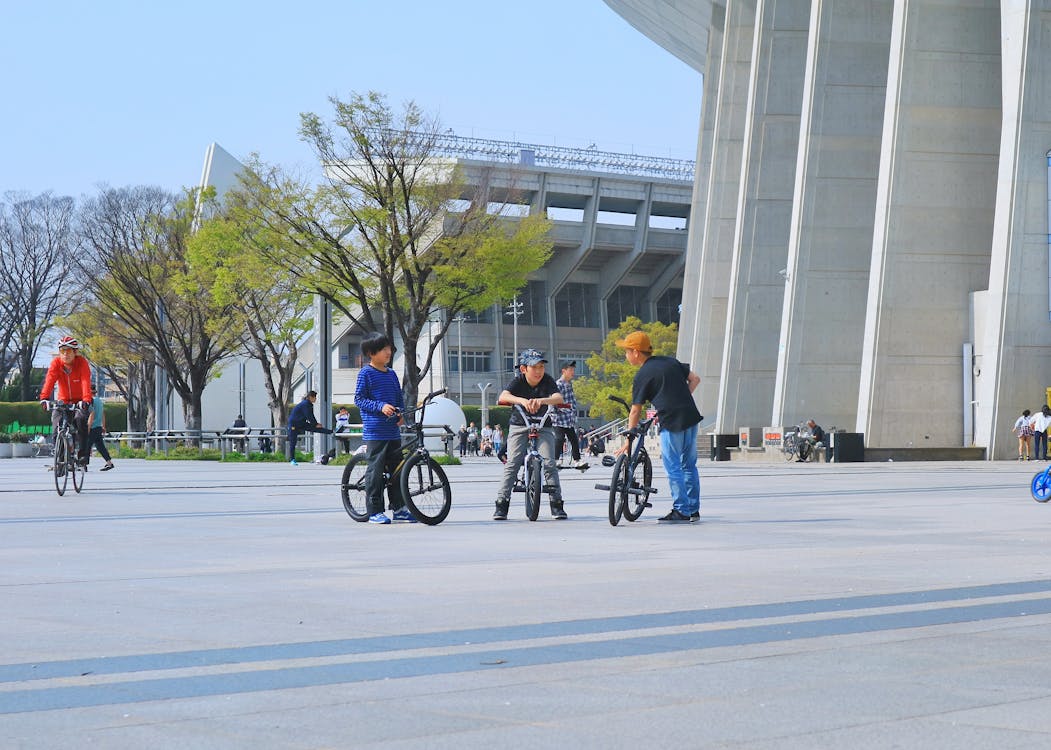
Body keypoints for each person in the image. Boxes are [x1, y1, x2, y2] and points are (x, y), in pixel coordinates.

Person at [616, 331, 702, 523]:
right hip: (690, 416)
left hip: (672, 421)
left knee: (673, 467)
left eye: (627, 351)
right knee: (689, 465)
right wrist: (682, 398)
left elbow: (635, 411)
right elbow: (695, 379)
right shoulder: (670, 361)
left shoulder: (643, 375)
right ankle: (693, 509)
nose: (626, 355)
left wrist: (629, 439)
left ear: (636, 352)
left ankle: (681, 510)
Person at [492, 348, 566, 521]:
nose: (539, 371)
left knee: (549, 463)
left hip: (543, 425)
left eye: (541, 366)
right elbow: (504, 395)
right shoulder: (518, 381)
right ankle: (502, 503)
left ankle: (557, 503)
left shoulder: (547, 381)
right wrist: (523, 401)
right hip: (520, 425)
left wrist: (541, 401)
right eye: (535, 367)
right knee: (513, 462)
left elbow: (558, 398)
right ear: (524, 369)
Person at [354, 332, 414, 524]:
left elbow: (398, 398)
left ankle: (399, 508)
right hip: (375, 431)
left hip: (392, 431)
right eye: (383, 349)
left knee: (397, 470)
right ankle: (374, 510)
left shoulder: (392, 374)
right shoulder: (366, 373)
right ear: (371, 353)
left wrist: (401, 413)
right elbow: (359, 399)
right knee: (375, 471)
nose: (388, 352)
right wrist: (380, 406)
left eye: (389, 348)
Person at [38, 335, 93, 466]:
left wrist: (86, 400)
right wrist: (44, 398)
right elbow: (50, 381)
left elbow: (85, 381)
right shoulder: (56, 363)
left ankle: (82, 455)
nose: (65, 354)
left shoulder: (82, 363)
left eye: (68, 351)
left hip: (80, 401)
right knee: (57, 425)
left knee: (80, 421)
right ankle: (61, 459)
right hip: (62, 401)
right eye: (62, 351)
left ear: (75, 352)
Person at [552, 360, 588, 469]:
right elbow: (555, 402)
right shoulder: (558, 384)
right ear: (564, 371)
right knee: (559, 438)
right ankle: (555, 460)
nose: (573, 372)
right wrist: (567, 409)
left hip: (568, 419)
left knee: (574, 439)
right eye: (570, 370)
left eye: (573, 370)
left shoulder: (569, 384)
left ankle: (577, 461)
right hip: (558, 418)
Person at [287, 390, 332, 466]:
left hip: (301, 422)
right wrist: (315, 424)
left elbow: (310, 416)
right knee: (293, 441)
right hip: (294, 423)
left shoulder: (308, 404)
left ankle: (331, 432)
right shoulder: (305, 404)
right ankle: (292, 459)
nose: (315, 399)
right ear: (310, 397)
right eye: (315, 397)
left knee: (315, 429)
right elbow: (309, 416)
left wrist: (315, 424)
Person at [87, 394, 114, 471]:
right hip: (98, 426)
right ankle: (109, 463)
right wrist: (103, 426)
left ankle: (84, 465)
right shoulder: (99, 401)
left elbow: (92, 414)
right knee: (101, 447)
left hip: (92, 427)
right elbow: (102, 414)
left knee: (87, 446)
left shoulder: (91, 400)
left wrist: (88, 428)